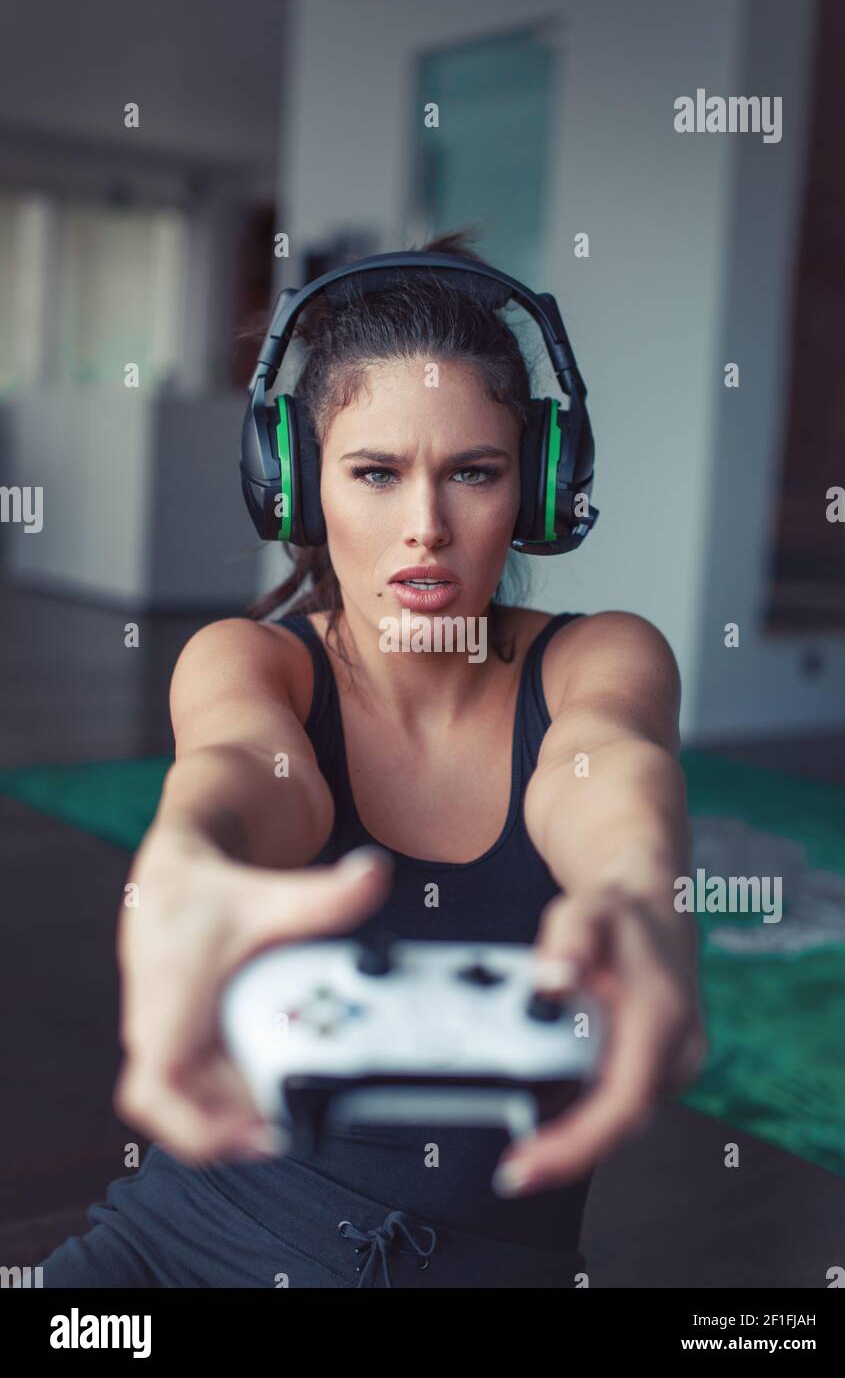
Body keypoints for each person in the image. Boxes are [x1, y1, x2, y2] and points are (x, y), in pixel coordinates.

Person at [37, 230, 706, 1288]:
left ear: (534, 493)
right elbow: (243, 774)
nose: (425, 527)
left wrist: (635, 890)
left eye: (473, 473)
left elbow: (607, 771)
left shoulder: (601, 655)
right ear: (297, 488)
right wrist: (183, 857)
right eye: (376, 472)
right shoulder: (250, 661)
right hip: (184, 1243)